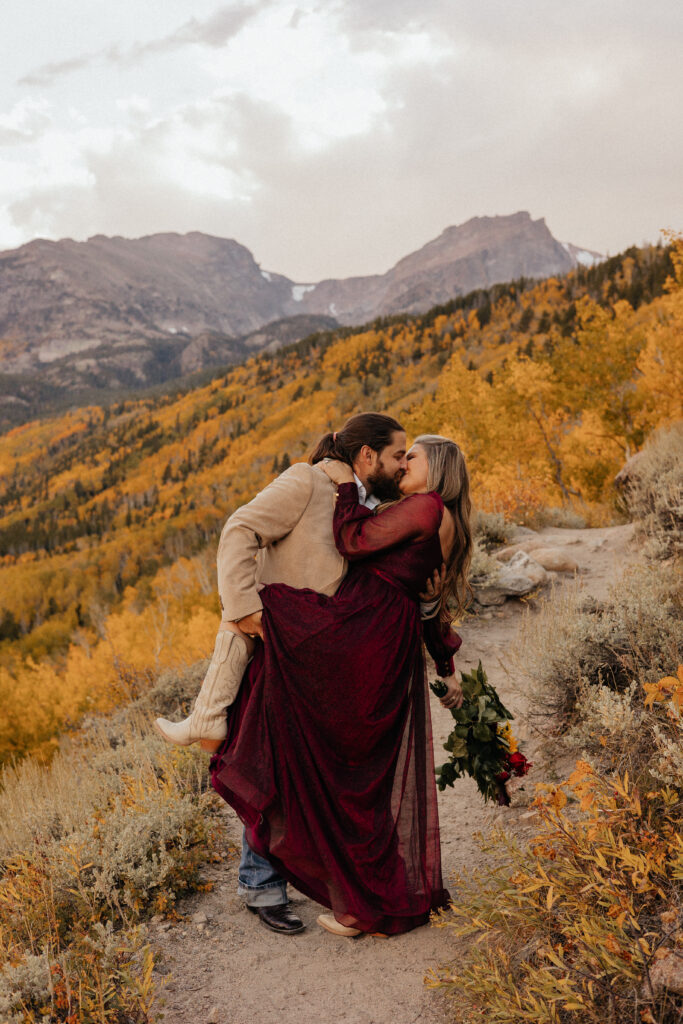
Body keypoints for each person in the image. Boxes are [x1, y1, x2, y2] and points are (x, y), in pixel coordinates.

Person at [155, 413, 447, 935]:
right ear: (366, 455)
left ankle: (337, 878)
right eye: (398, 454)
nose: (403, 463)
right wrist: (244, 606)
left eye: (409, 457)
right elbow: (240, 529)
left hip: (328, 653)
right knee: (269, 758)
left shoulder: (372, 501)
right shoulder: (306, 481)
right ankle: (261, 884)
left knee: (310, 767)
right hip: (283, 639)